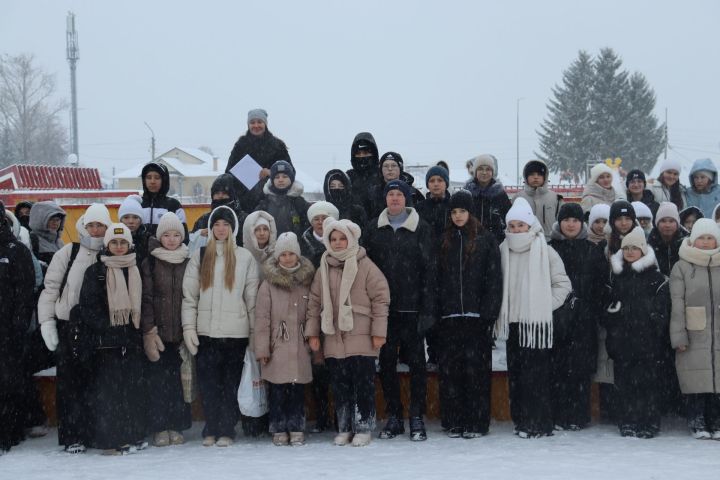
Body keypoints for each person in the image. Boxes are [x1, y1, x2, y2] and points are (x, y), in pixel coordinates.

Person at [306, 218, 389, 447]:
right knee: (340, 385)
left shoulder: (365, 264)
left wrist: (378, 332)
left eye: (343, 238)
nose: (338, 243)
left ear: (351, 239)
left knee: (363, 384)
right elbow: (314, 302)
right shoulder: (324, 266)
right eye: (333, 239)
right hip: (333, 337)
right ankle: (344, 427)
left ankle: (363, 427)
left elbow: (381, 298)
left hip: (361, 334)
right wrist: (312, 333)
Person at [181, 205, 259, 447]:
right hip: (206, 334)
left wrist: (255, 333)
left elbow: (252, 299)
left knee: (230, 385)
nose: (221, 229)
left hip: (235, 335)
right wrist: (188, 328)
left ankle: (226, 429)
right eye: (217, 224)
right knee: (209, 385)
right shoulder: (201, 255)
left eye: (225, 224)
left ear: (232, 227)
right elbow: (190, 296)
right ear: (211, 228)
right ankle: (211, 428)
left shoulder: (245, 257)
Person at [38, 203, 112, 453]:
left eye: (100, 225)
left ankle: (94, 431)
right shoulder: (69, 252)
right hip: (70, 326)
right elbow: (50, 289)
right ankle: (72, 435)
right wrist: (47, 321)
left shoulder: (113, 251)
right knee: (70, 383)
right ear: (84, 225)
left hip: (99, 327)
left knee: (98, 383)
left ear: (107, 227)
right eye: (91, 225)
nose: (95, 230)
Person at [494, 197, 572, 438]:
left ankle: (539, 422)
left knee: (536, 377)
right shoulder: (502, 250)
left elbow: (563, 285)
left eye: (521, 225)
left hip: (536, 325)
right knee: (517, 376)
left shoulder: (545, 251)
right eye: (512, 226)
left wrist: (543, 306)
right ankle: (522, 421)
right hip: (514, 324)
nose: (516, 230)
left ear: (530, 225)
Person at [365, 180, 436, 442]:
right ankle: (394, 415)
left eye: (399, 195)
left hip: (413, 310)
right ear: (385, 198)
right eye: (391, 194)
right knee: (386, 364)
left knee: (418, 364)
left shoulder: (422, 228)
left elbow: (430, 272)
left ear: (407, 199)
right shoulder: (373, 229)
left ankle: (416, 415)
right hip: (383, 311)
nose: (395, 198)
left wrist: (428, 309)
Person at [73, 223, 146, 455]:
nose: (118, 247)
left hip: (132, 341)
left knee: (131, 391)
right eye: (114, 242)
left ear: (129, 244)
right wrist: (109, 328)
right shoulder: (95, 272)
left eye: (123, 242)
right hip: (106, 344)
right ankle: (109, 440)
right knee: (108, 394)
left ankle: (132, 435)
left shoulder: (137, 268)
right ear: (106, 245)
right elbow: (88, 307)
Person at [435, 190, 502, 438]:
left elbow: (494, 279)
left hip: (477, 318)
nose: (458, 216)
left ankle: (476, 422)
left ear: (470, 212)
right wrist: (440, 311)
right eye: (453, 211)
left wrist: (488, 312)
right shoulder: (444, 241)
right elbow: (437, 280)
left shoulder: (486, 240)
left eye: (462, 211)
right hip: (450, 318)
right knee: (451, 373)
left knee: (476, 372)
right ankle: (454, 420)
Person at [604, 226, 670, 438]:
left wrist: (653, 325)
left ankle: (649, 421)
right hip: (622, 341)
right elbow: (607, 308)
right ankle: (628, 420)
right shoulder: (616, 277)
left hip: (648, 343)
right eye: (627, 248)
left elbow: (663, 311)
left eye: (635, 248)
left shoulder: (657, 279)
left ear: (643, 250)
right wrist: (613, 321)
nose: (630, 252)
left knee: (648, 383)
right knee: (624, 382)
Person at [548, 203, 608, 430]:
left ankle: (578, 415)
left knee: (581, 369)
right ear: (559, 223)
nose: (570, 224)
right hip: (556, 318)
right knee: (557, 367)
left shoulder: (592, 250)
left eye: (575, 220)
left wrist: (592, 309)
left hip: (584, 320)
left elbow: (600, 285)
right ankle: (559, 414)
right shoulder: (549, 249)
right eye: (566, 220)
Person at [255, 232, 315, 446]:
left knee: (297, 389)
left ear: (298, 255)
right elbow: (262, 318)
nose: (288, 258)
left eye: (291, 254)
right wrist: (262, 349)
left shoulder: (307, 280)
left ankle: (297, 426)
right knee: (278, 389)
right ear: (277, 257)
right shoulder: (268, 284)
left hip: (300, 342)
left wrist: (311, 337)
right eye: (283, 254)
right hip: (277, 344)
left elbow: (313, 311)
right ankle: (278, 426)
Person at [140, 212, 192, 447]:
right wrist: (149, 330)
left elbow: (192, 297)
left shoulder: (189, 260)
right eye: (167, 235)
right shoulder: (150, 261)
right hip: (157, 335)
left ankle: (176, 425)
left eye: (176, 235)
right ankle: (159, 426)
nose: (171, 240)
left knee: (178, 384)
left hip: (180, 334)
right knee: (157, 383)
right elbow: (146, 298)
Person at [670, 219, 720, 439]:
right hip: (693, 331)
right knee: (695, 381)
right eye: (702, 238)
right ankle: (697, 420)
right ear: (693, 239)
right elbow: (676, 304)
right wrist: (679, 336)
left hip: (717, 330)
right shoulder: (682, 266)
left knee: (718, 381)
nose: (706, 242)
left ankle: (716, 420)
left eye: (710, 238)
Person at [0, 201, 35, 453]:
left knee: (8, 381)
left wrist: (18, 325)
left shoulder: (16, 250)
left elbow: (25, 293)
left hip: (8, 330)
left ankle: (9, 432)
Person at [225, 108, 292, 212]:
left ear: (265, 123)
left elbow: (291, 172)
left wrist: (272, 172)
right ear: (248, 125)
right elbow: (228, 173)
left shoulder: (278, 146)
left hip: (272, 202)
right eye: (252, 122)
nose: (256, 125)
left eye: (259, 122)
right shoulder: (240, 145)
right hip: (244, 204)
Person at [189, 174, 248, 252]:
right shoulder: (204, 220)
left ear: (232, 195)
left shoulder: (244, 219)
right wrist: (199, 235)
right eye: (217, 193)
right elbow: (192, 244)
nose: (220, 196)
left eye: (224, 193)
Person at [255, 160, 310, 238]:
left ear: (291, 179)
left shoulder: (299, 202)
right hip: (271, 247)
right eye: (277, 177)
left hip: (294, 247)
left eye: (285, 176)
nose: (280, 180)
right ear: (272, 180)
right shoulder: (265, 203)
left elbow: (308, 226)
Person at [465, 154, 511, 243]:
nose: (484, 172)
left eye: (488, 169)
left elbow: (508, 218)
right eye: (480, 169)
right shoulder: (467, 193)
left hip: (495, 243)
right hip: (471, 243)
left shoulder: (500, 194)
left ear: (493, 172)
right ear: (475, 172)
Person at [514, 159, 563, 240]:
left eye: (539, 174)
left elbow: (561, 222)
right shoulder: (518, 198)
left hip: (550, 243)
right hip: (524, 243)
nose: (536, 177)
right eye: (532, 174)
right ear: (526, 177)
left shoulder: (556, 198)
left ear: (545, 177)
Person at [140, 161, 188, 241]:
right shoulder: (137, 204)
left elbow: (183, 236)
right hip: (139, 253)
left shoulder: (173, 205)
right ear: (144, 180)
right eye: (148, 177)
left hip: (167, 253)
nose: (152, 181)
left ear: (164, 180)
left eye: (157, 177)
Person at [367, 152, 423, 219]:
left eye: (393, 165)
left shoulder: (413, 193)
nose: (390, 169)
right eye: (386, 166)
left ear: (400, 168)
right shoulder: (373, 193)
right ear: (381, 169)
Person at [648, 202, 688, 277]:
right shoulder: (649, 244)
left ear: (677, 223)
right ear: (657, 223)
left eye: (671, 221)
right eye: (663, 221)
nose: (667, 225)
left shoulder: (688, 243)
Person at [345, 132, 381, 217]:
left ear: (374, 154)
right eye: (358, 154)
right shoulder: (349, 177)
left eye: (365, 153)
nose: (362, 157)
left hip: (379, 225)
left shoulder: (382, 175)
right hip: (353, 224)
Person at [417, 165, 451, 241]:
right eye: (432, 181)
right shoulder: (419, 207)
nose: (436, 184)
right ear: (427, 185)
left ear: (446, 183)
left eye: (440, 180)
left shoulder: (453, 206)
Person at [301, 201, 339, 269]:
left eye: (324, 218)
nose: (320, 222)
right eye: (316, 219)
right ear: (311, 222)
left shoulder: (342, 241)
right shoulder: (302, 244)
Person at [28, 201, 66, 267]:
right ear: (40, 220)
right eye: (51, 219)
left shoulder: (59, 241)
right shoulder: (32, 240)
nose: (55, 223)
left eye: (57, 220)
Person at [118, 194, 152, 264]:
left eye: (135, 217)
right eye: (126, 217)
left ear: (141, 220)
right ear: (120, 220)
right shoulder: (113, 238)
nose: (131, 221)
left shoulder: (149, 240)